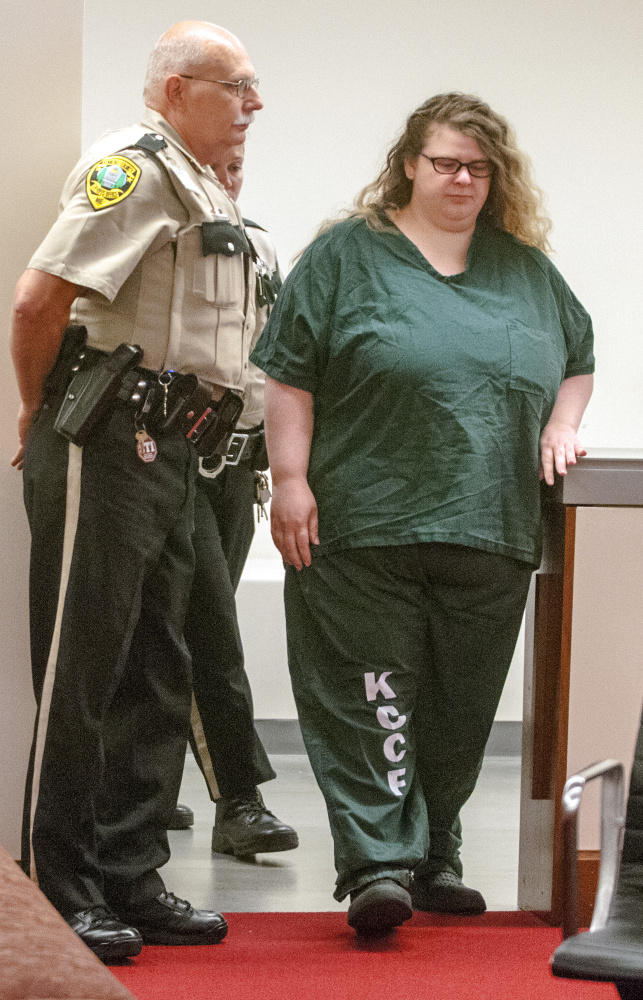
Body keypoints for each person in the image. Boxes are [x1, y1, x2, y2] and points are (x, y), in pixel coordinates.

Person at [250, 92, 594, 936]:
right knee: (372, 701)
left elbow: (579, 358)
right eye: (445, 163)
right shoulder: (343, 257)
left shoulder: (526, 270)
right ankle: (376, 864)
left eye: (479, 167)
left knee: (458, 709)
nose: (462, 179)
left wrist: (561, 422)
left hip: (490, 526)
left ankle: (434, 853)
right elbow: (288, 375)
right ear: (409, 163)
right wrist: (288, 478)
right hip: (361, 526)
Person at [10, 21, 263, 962]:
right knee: (83, 668)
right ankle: (61, 882)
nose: (254, 105)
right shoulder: (134, 168)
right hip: (110, 435)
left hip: (176, 448)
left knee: (161, 665)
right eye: (235, 85)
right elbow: (40, 299)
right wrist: (37, 417)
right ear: (171, 90)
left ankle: (131, 871)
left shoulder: (203, 187)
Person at [171, 145, 298, 857]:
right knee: (210, 627)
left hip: (239, 463)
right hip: (177, 455)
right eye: (214, 160)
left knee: (183, 626)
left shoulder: (259, 246)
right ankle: (240, 801)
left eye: (237, 160)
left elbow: (272, 362)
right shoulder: (166, 241)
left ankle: (151, 794)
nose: (229, 170)